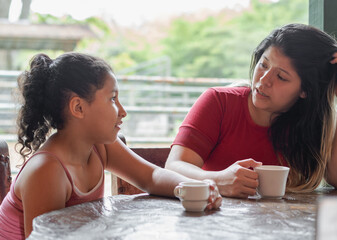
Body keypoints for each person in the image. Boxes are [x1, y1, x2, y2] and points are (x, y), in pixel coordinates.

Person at [0, 53, 222, 239]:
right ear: (78, 107)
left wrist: (194, 187)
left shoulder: (100, 146)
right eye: (113, 99)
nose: (123, 111)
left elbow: (151, 177)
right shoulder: (47, 170)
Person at [165, 23, 337, 198]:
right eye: (263, 64)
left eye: (281, 77)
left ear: (305, 91)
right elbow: (173, 166)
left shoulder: (314, 123)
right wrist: (217, 180)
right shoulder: (219, 102)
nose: (263, 80)